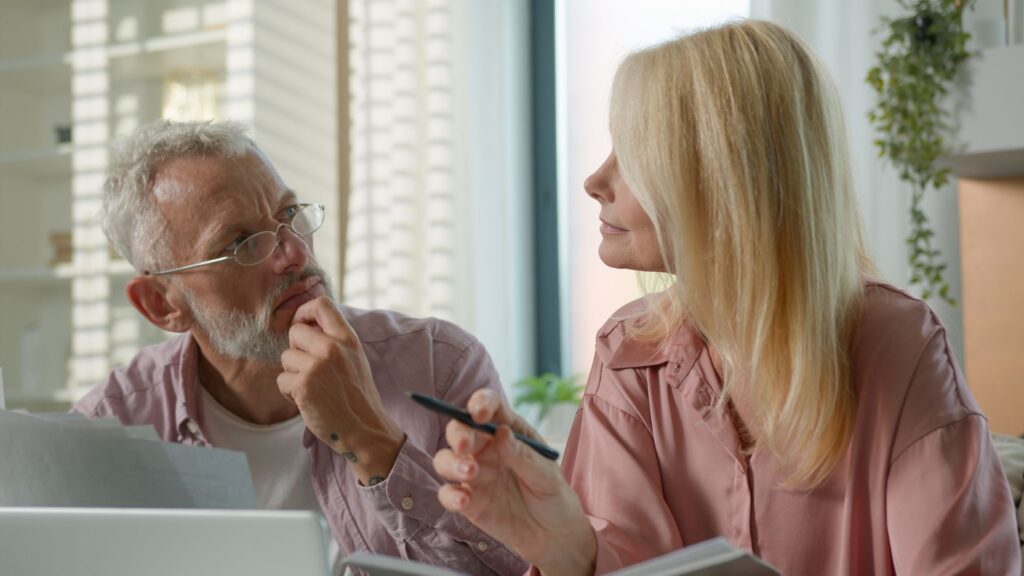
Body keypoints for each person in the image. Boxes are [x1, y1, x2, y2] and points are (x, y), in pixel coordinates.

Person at [431, 20, 1022, 575]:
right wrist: (571, 550)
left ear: (724, 176)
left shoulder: (898, 345)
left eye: (633, 156)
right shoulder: (629, 356)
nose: (595, 182)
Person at [73, 120, 527, 576]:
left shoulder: (440, 366)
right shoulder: (105, 432)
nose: (294, 253)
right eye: (240, 242)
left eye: (289, 214)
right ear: (162, 303)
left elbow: (521, 568)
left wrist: (370, 441)